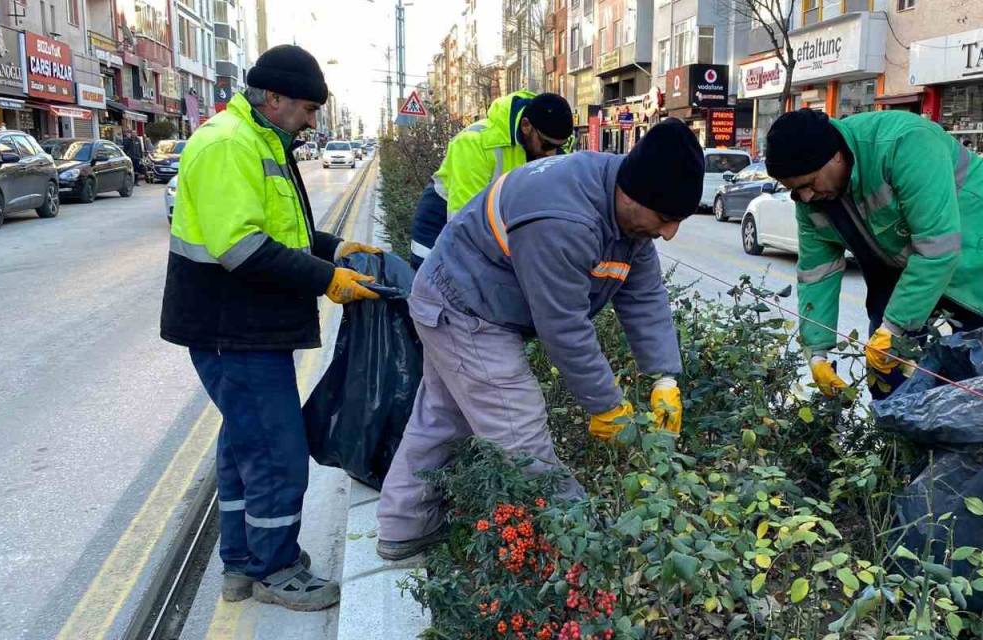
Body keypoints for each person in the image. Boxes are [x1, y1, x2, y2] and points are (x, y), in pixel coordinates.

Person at [376, 119, 702, 561]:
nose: (669, 233)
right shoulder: (563, 218)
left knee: (442, 416)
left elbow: (643, 295)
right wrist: (606, 406)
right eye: (665, 219)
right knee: (519, 428)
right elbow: (564, 329)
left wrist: (664, 376)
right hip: (463, 306)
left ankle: (404, 527)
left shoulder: (625, 208)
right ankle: (582, 543)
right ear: (632, 195)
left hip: (465, 295)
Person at [161, 44, 382, 612]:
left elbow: (282, 232)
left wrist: (334, 248)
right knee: (277, 451)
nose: (312, 121)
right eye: (307, 109)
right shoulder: (228, 144)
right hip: (231, 327)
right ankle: (274, 568)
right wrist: (326, 278)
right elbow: (243, 248)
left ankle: (242, 561)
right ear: (275, 97)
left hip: (245, 327)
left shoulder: (262, 140)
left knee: (244, 446)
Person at [762, 109, 983, 399]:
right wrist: (817, 353)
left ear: (834, 155)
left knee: (976, 390)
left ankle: (981, 444)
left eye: (808, 184)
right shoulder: (812, 199)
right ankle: (901, 441)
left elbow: (937, 249)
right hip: (909, 265)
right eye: (794, 191)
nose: (805, 197)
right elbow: (816, 274)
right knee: (887, 375)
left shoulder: (905, 143)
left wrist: (893, 327)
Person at [408, 91, 573, 270]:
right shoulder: (475, 143)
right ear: (526, 126)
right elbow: (464, 221)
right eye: (547, 145)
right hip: (439, 226)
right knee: (435, 289)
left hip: (491, 223)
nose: (551, 154)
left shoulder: (547, 145)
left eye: (559, 147)